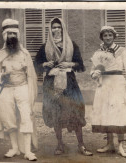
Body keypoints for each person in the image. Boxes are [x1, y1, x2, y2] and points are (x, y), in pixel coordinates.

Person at [35, 17, 92, 156]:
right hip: (52, 83)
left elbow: (80, 64)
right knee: (56, 113)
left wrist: (70, 64)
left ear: (63, 28)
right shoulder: (45, 47)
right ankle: (60, 145)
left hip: (69, 83)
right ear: (50, 29)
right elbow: (36, 63)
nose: (56, 30)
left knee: (75, 112)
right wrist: (44, 64)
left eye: (58, 27)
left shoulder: (71, 45)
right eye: (53, 27)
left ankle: (81, 145)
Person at [0, 19, 38, 161]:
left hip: (22, 87)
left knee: (25, 116)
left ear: (17, 35)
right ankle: (15, 148)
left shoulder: (24, 53)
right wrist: (2, 75)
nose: (11, 36)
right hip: (6, 89)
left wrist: (30, 92)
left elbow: (31, 75)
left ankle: (28, 151)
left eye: (14, 33)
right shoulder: (1, 54)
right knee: (8, 117)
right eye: (9, 33)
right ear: (5, 35)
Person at [90, 26, 126, 158]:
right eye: (105, 35)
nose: (108, 38)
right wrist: (94, 74)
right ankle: (110, 143)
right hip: (104, 84)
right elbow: (92, 70)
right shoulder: (98, 53)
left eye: (110, 35)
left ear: (114, 36)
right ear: (102, 37)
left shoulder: (122, 51)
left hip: (118, 84)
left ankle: (121, 145)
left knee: (119, 113)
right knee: (106, 113)